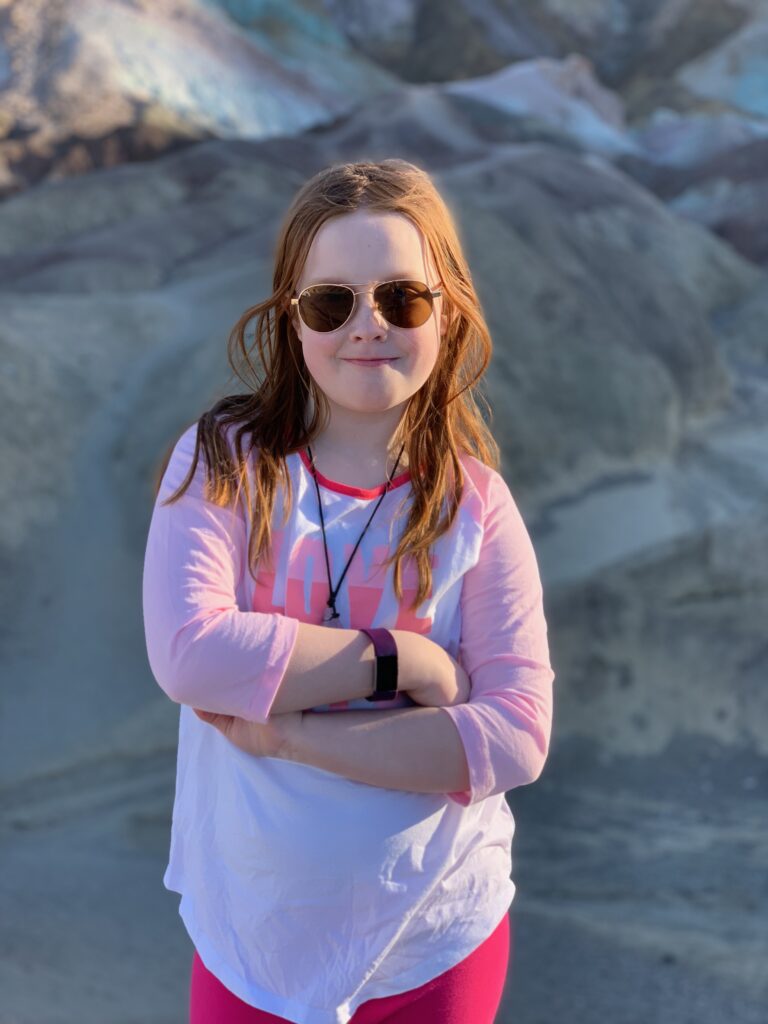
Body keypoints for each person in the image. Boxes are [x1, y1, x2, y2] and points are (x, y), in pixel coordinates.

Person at [142, 158, 555, 1024]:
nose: (368, 326)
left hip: (436, 941)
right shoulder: (225, 463)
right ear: (293, 322)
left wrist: (287, 735)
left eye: (401, 297)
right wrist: (403, 662)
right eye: (332, 303)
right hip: (253, 940)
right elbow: (189, 654)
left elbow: (516, 738)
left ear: (447, 311)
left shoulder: (474, 504)